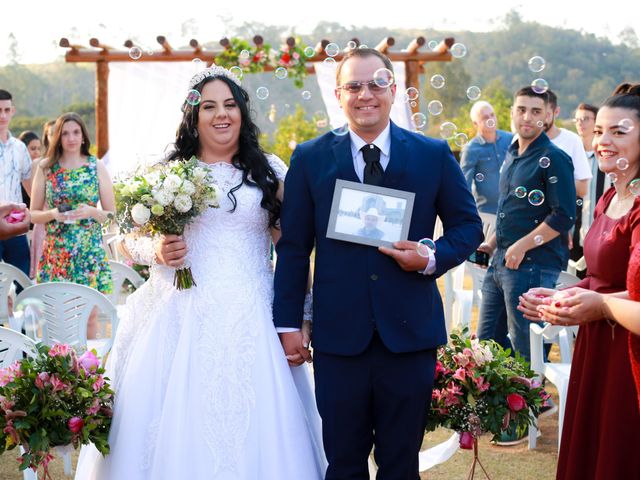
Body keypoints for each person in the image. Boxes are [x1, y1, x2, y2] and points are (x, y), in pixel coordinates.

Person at [74, 66, 326, 479]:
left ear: (243, 113)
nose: (220, 114)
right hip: (177, 314)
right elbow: (120, 240)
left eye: (229, 105)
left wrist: (303, 316)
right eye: (208, 106)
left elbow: (294, 251)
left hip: (254, 319)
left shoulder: (270, 172)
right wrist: (153, 248)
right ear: (193, 116)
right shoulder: (165, 170)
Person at [273, 48, 483, 479]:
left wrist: (430, 257)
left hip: (408, 337)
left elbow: (468, 227)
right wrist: (288, 323)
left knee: (400, 463)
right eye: (354, 85)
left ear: (394, 91)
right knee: (344, 463)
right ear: (338, 94)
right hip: (338, 339)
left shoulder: (432, 154)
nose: (365, 94)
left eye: (376, 84)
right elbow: (293, 247)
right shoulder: (310, 158)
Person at [518, 83, 640, 479]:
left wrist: (599, 306)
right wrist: (563, 296)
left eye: (619, 132)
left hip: (630, 356)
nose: (604, 141)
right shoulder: (609, 198)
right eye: (600, 131)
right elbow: (601, 279)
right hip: (599, 346)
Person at [476, 86, 576, 365]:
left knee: (524, 352)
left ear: (548, 117)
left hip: (533, 266)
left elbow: (563, 215)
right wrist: (491, 243)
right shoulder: (512, 152)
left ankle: (530, 406)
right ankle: (495, 408)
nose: (527, 117)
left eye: (536, 111)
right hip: (501, 261)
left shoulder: (555, 158)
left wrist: (521, 246)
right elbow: (511, 209)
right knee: (486, 345)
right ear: (512, 113)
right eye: (521, 110)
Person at [30, 113, 114, 337]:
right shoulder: (46, 168)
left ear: (84, 136)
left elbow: (111, 215)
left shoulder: (95, 166)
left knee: (89, 319)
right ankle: (57, 372)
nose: (71, 138)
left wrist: (92, 212)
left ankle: (87, 371)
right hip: (57, 254)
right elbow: (33, 215)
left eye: (76, 132)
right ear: (57, 137)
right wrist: (52, 214)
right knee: (58, 321)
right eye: (65, 133)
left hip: (89, 253)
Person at [545, 90, 592, 266]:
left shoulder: (571, 141)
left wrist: (551, 182)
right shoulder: (519, 140)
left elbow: (582, 189)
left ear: (555, 112)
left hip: (556, 228)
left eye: (542, 112)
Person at [0, 89, 32, 278]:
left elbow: (30, 187)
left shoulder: (20, 148)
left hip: (17, 226)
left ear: (13, 111)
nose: (2, 115)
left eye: (6, 110)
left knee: (23, 282)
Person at [460, 100, 513, 214]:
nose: (491, 119)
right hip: (488, 213)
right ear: (475, 124)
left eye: (492, 115)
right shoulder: (470, 149)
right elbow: (464, 186)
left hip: (513, 210)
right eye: (485, 117)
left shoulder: (510, 138)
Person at [28, 121, 54, 279]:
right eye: (52, 133)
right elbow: (34, 198)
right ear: (47, 137)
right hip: (43, 223)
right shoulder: (39, 164)